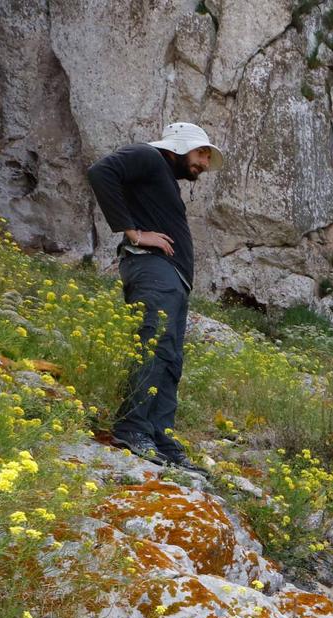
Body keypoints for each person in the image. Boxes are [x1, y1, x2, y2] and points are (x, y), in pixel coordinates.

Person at [86, 122, 223, 472]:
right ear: (180, 145)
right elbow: (101, 172)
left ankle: (160, 436)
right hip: (152, 269)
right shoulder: (147, 154)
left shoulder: (160, 173)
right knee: (154, 345)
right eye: (201, 153)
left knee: (169, 358)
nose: (204, 164)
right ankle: (131, 428)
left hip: (169, 277)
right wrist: (134, 233)